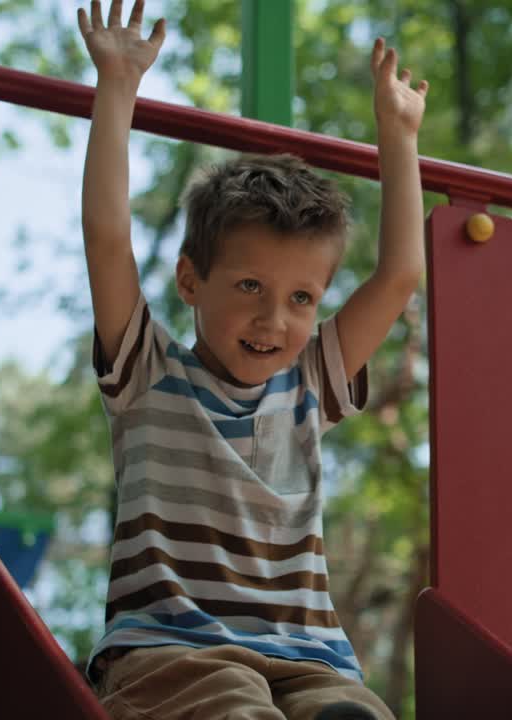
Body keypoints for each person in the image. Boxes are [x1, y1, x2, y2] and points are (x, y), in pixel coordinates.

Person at [76, 2, 428, 718]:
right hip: (172, 651)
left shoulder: (310, 384)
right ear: (189, 280)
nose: (275, 320)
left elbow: (398, 276)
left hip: (309, 657)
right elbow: (108, 237)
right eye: (248, 287)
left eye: (302, 298)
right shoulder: (148, 373)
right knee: (234, 705)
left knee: (357, 713)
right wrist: (118, 86)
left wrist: (399, 137)